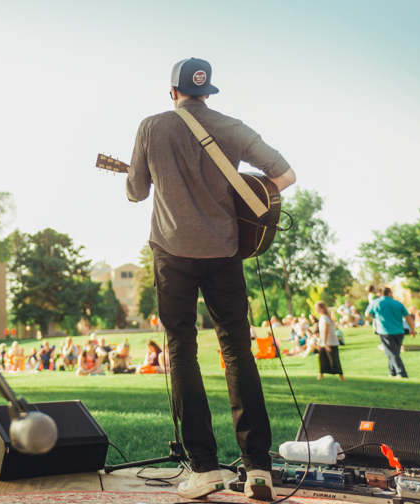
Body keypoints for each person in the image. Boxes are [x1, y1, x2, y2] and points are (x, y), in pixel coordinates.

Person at [125, 57, 296, 500]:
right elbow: (284, 175)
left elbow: (137, 191)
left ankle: (204, 469)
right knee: (238, 351)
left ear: (172, 93)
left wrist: (140, 174)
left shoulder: (151, 126)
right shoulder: (231, 126)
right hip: (224, 252)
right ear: (208, 92)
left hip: (172, 254)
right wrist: (235, 188)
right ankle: (258, 467)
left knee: (181, 352)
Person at [365, 287, 416, 378]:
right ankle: (392, 372)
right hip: (399, 331)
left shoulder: (376, 303)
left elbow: (367, 314)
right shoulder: (398, 303)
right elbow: (408, 317)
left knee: (392, 353)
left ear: (380, 293)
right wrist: (412, 330)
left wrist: (376, 317)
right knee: (394, 352)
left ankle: (401, 373)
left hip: (384, 331)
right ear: (390, 293)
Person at [314, 302, 344, 381]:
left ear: (322, 308)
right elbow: (321, 332)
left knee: (334, 359)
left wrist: (325, 343)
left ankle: (341, 376)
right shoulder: (321, 318)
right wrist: (320, 342)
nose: (316, 310)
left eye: (317, 308)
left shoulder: (325, 318)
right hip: (324, 342)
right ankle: (320, 374)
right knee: (322, 358)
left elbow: (325, 331)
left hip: (330, 342)